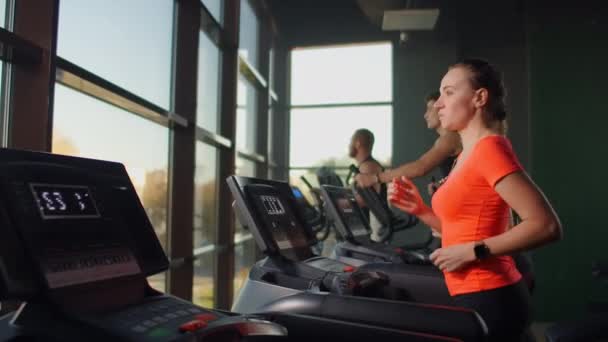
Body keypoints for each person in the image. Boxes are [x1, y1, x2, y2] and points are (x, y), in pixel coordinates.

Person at [388, 58, 562, 341]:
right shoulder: (466, 154)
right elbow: (466, 231)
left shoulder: (489, 150)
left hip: (490, 295)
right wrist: (419, 209)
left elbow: (546, 225)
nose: (438, 104)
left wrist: (473, 252)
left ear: (480, 97)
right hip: (476, 293)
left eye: (449, 92)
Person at [355, 92, 462, 194]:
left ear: (442, 108)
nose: (425, 115)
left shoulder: (450, 138)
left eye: (429, 109)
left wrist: (375, 178)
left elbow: (420, 167)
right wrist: (442, 183)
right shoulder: (449, 138)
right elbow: (460, 172)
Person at [348, 128, 385, 241]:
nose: (349, 146)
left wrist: (337, 203)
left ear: (357, 143)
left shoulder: (368, 167)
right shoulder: (365, 166)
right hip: (365, 224)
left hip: (372, 228)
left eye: (350, 142)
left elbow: (365, 200)